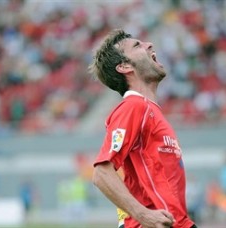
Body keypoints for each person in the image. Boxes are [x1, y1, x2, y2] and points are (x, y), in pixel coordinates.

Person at [90, 29, 196, 228]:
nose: (149, 45)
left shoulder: (150, 111)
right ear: (124, 66)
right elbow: (102, 173)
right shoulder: (134, 107)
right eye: (137, 46)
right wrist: (143, 214)